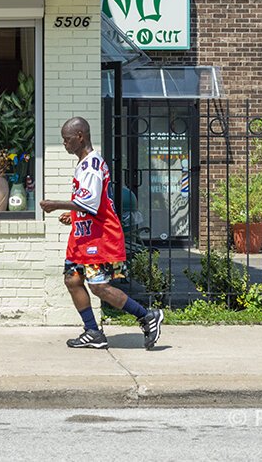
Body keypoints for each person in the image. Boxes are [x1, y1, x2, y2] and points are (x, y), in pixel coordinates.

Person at [40, 117, 163, 350]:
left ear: (80, 137)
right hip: (83, 237)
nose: (64, 144)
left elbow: (90, 204)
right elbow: (92, 203)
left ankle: (147, 316)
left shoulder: (92, 166)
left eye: (67, 140)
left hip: (99, 238)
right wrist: (74, 216)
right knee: (72, 279)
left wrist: (56, 205)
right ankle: (93, 332)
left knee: (99, 287)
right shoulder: (85, 163)